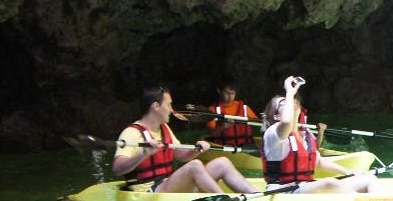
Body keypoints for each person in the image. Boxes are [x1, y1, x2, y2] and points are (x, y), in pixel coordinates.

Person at [113, 86, 259, 194]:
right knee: (194, 166)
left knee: (223, 162)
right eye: (169, 104)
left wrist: (197, 149)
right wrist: (143, 154)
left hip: (168, 184)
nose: (172, 110)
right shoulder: (131, 133)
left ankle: (256, 196)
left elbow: (180, 155)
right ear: (156, 107)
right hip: (149, 192)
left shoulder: (164, 128)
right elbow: (117, 169)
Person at [259, 76, 378, 193]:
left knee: (368, 180)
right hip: (282, 191)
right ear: (276, 116)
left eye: (290, 100)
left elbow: (318, 161)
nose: (290, 102)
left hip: (305, 186)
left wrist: (348, 172)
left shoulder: (305, 135)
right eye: (283, 103)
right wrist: (289, 92)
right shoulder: (273, 133)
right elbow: (286, 121)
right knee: (329, 183)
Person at [203, 81, 259, 148]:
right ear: (219, 91)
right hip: (225, 146)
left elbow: (257, 124)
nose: (230, 96)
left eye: (232, 93)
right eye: (226, 93)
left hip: (246, 146)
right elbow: (211, 133)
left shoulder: (244, 107)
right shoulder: (213, 110)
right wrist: (223, 126)